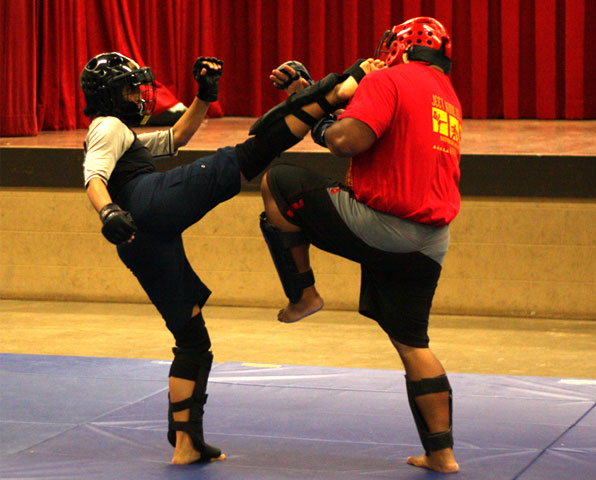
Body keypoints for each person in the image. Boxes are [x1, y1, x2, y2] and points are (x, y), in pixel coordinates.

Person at [80, 51, 375, 465]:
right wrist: (106, 210)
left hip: (137, 238)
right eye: (130, 88)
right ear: (110, 95)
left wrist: (203, 97)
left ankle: (187, 445)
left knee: (193, 340)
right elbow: (93, 175)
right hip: (144, 205)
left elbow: (176, 139)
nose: (137, 95)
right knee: (251, 153)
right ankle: (340, 88)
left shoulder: (117, 132)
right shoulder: (108, 126)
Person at [259, 17, 461, 474]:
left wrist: (317, 120)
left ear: (396, 47)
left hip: (386, 227)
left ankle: (303, 293)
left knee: (278, 180)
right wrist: (309, 92)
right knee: (412, 343)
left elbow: (346, 140)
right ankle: (441, 454)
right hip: (431, 241)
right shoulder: (445, 94)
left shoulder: (389, 78)